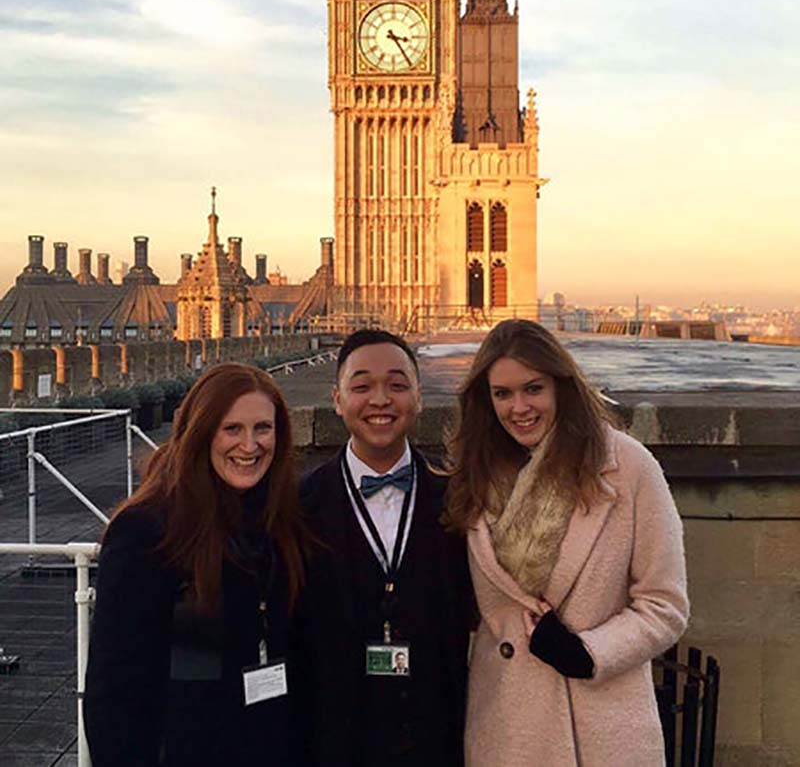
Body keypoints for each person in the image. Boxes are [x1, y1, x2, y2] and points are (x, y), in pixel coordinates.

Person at [445, 319, 689, 767]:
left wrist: (588, 652)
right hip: (508, 727)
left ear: (562, 386)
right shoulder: (476, 474)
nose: (519, 407)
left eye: (533, 389)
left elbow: (665, 605)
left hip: (599, 727)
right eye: (502, 393)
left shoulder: (627, 467)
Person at [84, 363, 306, 767]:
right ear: (201, 432)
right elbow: (113, 691)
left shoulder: (281, 520)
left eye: (263, 428)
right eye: (232, 429)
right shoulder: (146, 529)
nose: (250, 445)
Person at [297, 329, 473, 767]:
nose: (380, 399)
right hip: (332, 741)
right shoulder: (299, 505)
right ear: (337, 400)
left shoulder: (459, 500)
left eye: (397, 385)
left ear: (419, 398)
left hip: (436, 738)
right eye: (362, 386)